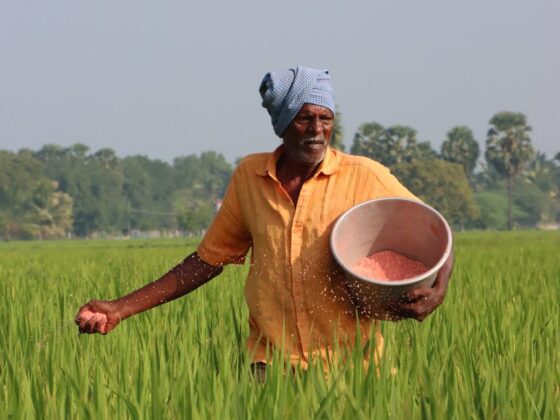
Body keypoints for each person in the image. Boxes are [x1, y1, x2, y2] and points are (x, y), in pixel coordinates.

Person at [76, 66, 454, 373]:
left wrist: (438, 290)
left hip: (353, 368)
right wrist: (121, 308)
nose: (318, 131)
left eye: (326, 119)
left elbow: (435, 230)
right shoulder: (250, 177)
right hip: (269, 366)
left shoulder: (364, 175)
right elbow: (208, 260)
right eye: (306, 119)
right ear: (284, 122)